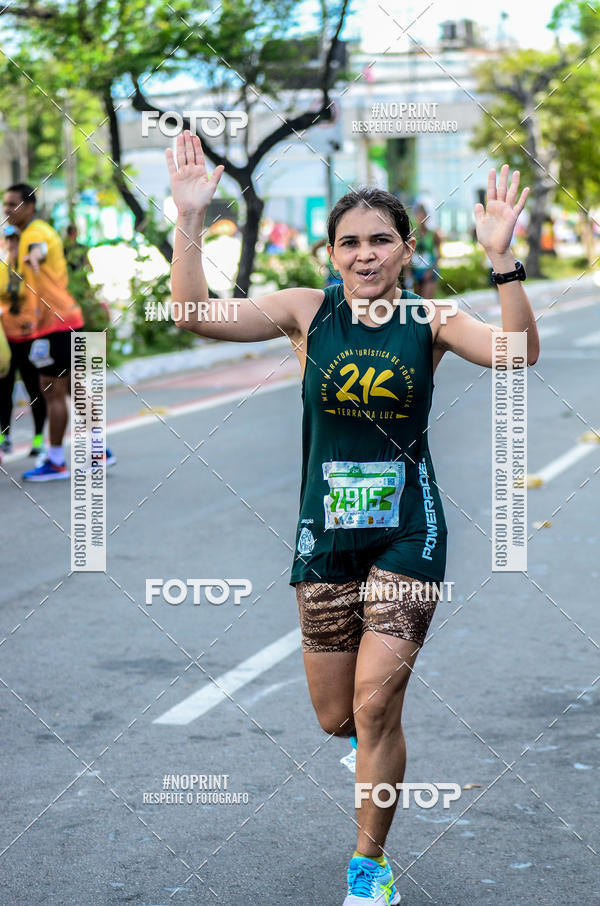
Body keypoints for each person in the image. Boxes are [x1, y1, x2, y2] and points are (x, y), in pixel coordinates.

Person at [167, 132, 539, 905]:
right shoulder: (308, 313)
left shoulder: (430, 319)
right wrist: (190, 216)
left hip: (410, 532)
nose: (364, 255)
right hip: (324, 540)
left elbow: (515, 353)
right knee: (338, 716)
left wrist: (503, 259)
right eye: (349, 243)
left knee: (376, 707)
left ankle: (368, 869)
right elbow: (193, 316)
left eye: (380, 241)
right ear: (331, 254)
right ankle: (373, 756)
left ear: (406, 249)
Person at [2, 183, 115, 480]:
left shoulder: (35, 234)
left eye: (12, 203)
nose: (6, 209)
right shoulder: (30, 232)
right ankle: (99, 449)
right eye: (4, 204)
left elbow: (36, 251)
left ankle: (56, 461)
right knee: (73, 388)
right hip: (63, 320)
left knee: (53, 391)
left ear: (29, 206)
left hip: (55, 323)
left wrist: (32, 258)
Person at [0, 224, 47, 456]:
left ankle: (38, 438)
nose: (12, 244)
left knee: (34, 389)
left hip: (29, 337)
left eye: (16, 240)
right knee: (3, 389)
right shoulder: (1, 268)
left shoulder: (30, 267)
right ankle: (4, 436)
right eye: (8, 240)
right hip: (6, 340)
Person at [410, 203, 442, 299]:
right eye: (418, 215)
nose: (421, 218)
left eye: (423, 215)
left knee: (427, 303)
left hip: (430, 272)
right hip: (416, 272)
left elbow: (438, 254)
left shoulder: (433, 234)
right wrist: (408, 273)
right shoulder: (412, 235)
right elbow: (407, 254)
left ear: (427, 216)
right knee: (417, 303)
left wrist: (431, 271)